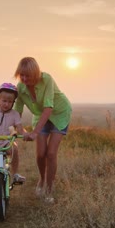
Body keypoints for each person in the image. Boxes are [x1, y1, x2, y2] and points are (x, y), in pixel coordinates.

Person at [13, 57, 72, 203]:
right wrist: (20, 131)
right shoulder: (20, 87)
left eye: (28, 75)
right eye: (22, 75)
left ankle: (49, 190)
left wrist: (34, 132)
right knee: (40, 154)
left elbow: (48, 108)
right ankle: (42, 179)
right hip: (40, 116)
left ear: (36, 74)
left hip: (59, 114)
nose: (25, 79)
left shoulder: (47, 80)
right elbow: (17, 111)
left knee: (51, 153)